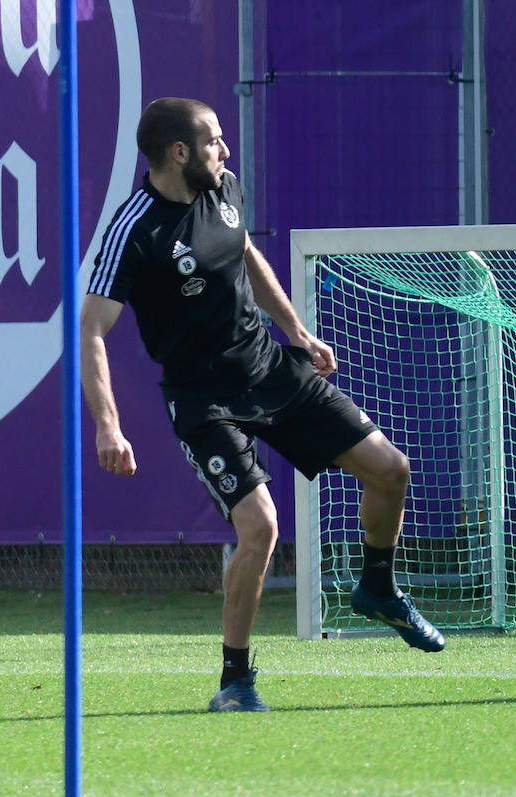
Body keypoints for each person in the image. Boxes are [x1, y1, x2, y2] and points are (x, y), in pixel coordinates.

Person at [81, 97, 445, 713]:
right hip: (204, 402)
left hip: (271, 369)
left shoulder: (223, 188)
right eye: (214, 140)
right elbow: (91, 330)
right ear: (179, 153)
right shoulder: (133, 231)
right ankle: (235, 681)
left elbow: (245, 250)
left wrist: (297, 331)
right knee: (262, 528)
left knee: (391, 470)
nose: (225, 151)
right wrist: (108, 428)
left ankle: (378, 587)